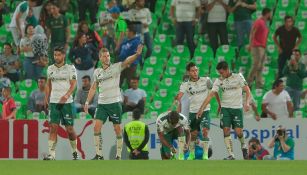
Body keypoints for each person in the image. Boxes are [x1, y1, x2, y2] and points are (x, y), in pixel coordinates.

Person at [84, 45, 143, 160]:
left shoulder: (116, 67)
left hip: (115, 103)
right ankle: (99, 155)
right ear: (100, 58)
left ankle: (119, 155)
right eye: (104, 56)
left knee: (117, 129)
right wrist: (87, 101)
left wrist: (137, 55)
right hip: (102, 104)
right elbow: (93, 88)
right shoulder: (97, 72)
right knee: (96, 127)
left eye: (108, 56)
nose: (107, 58)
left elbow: (127, 61)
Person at [197, 61, 251, 160]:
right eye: (219, 73)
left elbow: (247, 90)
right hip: (225, 108)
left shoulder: (238, 77)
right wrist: (201, 108)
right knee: (226, 130)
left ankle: (243, 146)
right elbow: (211, 95)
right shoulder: (219, 80)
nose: (220, 75)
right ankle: (231, 155)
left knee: (238, 132)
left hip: (237, 108)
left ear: (227, 70)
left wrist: (247, 103)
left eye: (222, 73)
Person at [176, 62, 220, 160]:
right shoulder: (185, 84)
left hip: (205, 110)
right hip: (193, 112)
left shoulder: (206, 80)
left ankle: (205, 155)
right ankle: (191, 154)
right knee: (193, 134)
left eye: (196, 70)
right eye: (193, 71)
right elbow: (179, 96)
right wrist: (177, 103)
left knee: (205, 131)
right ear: (189, 72)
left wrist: (219, 104)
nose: (195, 72)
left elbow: (214, 91)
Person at [43, 46, 79, 160]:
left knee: (69, 129)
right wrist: (46, 97)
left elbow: (73, 84)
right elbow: (48, 84)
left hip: (67, 102)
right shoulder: (50, 69)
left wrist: (67, 95)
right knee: (53, 127)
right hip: (54, 102)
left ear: (63, 55)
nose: (56, 57)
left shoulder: (70, 68)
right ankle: (51, 154)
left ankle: (75, 152)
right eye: (54, 55)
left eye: (58, 55)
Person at [247, 8, 272, 88]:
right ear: (267, 13)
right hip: (256, 46)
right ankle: (249, 82)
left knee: (260, 66)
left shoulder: (264, 23)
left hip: (262, 47)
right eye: (270, 13)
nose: (271, 15)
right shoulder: (259, 21)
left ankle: (258, 84)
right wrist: (250, 44)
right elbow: (252, 32)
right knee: (256, 64)